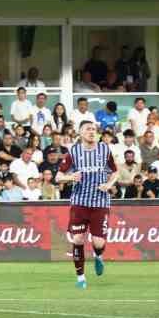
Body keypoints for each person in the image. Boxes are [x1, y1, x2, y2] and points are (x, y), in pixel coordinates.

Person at [57, 119, 117, 290]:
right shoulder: (74, 152)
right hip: (79, 202)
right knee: (78, 239)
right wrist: (70, 177)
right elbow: (58, 177)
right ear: (80, 133)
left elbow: (115, 172)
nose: (92, 132)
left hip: (100, 201)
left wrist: (109, 185)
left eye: (94, 129)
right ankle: (81, 278)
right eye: (88, 129)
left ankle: (98, 256)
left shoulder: (104, 149)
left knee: (98, 243)